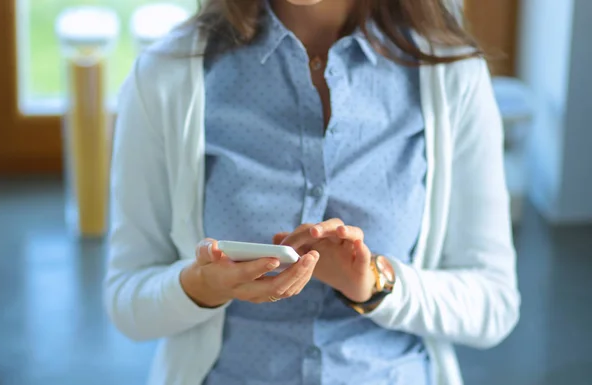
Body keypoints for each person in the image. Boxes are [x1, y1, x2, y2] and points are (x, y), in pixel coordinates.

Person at [104, 0, 520, 384]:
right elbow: (126, 301)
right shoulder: (165, 76)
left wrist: (377, 283)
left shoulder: (453, 76)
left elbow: (492, 307)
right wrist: (200, 287)